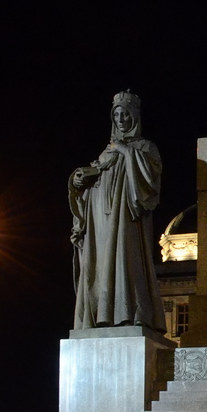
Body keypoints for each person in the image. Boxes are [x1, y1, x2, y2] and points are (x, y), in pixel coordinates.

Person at [69, 90, 166, 332]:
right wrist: (80, 181)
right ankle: (102, 313)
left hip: (126, 215)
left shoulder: (146, 147)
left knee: (126, 259)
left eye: (126, 114)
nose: (121, 119)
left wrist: (126, 151)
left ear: (134, 117)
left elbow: (149, 185)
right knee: (101, 264)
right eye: (117, 115)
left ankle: (129, 312)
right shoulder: (107, 150)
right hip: (100, 216)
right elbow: (97, 176)